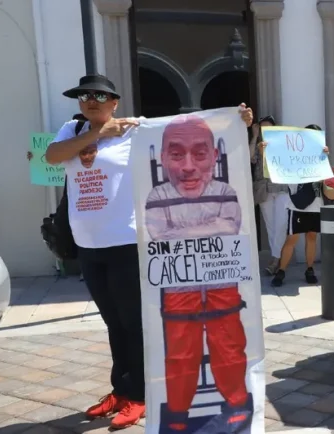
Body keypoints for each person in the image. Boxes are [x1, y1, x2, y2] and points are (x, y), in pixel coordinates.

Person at [44, 74, 254, 430]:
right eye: (83, 96)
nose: (90, 100)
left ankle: (140, 395)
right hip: (88, 244)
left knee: (133, 322)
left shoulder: (135, 130)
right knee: (113, 322)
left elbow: (187, 127)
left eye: (99, 95)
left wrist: (236, 121)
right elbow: (52, 157)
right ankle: (121, 389)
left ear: (115, 101)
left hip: (126, 244)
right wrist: (97, 134)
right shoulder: (72, 130)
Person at [145, 115, 251, 432]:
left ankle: (236, 403)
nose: (189, 166)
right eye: (176, 154)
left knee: (229, 346)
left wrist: (182, 231)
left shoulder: (227, 191)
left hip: (222, 282)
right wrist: (208, 230)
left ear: (214, 156)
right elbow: (157, 235)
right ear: (163, 158)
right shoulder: (156, 197)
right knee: (179, 353)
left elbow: (230, 228)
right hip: (178, 286)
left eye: (200, 153)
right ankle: (177, 414)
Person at [270, 124, 329, 287]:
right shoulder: (294, 153)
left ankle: (309, 269)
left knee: (312, 236)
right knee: (292, 238)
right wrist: (265, 150)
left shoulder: (322, 155)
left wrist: (325, 158)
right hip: (297, 204)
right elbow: (279, 163)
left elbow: (327, 178)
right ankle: (281, 271)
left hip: (316, 204)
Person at [251, 115, 289, 275]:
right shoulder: (257, 145)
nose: (265, 131)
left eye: (268, 128)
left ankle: (275, 259)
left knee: (281, 224)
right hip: (263, 189)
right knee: (270, 226)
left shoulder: (283, 145)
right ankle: (276, 259)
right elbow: (249, 158)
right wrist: (254, 137)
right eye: (262, 129)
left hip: (280, 188)